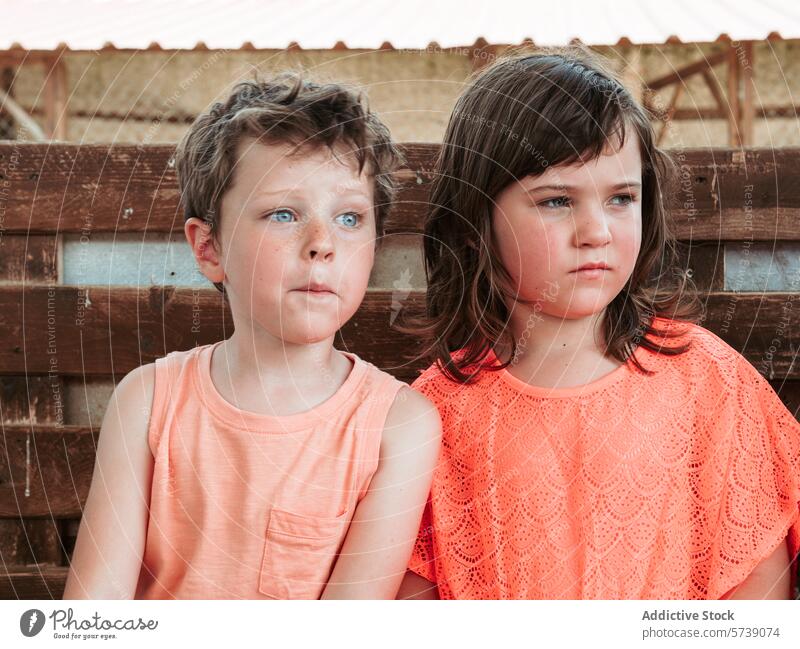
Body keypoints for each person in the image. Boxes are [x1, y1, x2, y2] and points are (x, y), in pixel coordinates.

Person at [396, 49, 800, 600]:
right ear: (474, 224)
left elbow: (759, 587)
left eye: (621, 199)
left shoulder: (707, 380)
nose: (596, 231)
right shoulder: (434, 415)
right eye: (558, 200)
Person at [64, 74, 442, 599]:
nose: (322, 244)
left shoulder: (399, 427)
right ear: (209, 249)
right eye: (283, 214)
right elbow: (90, 619)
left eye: (350, 218)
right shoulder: (148, 403)